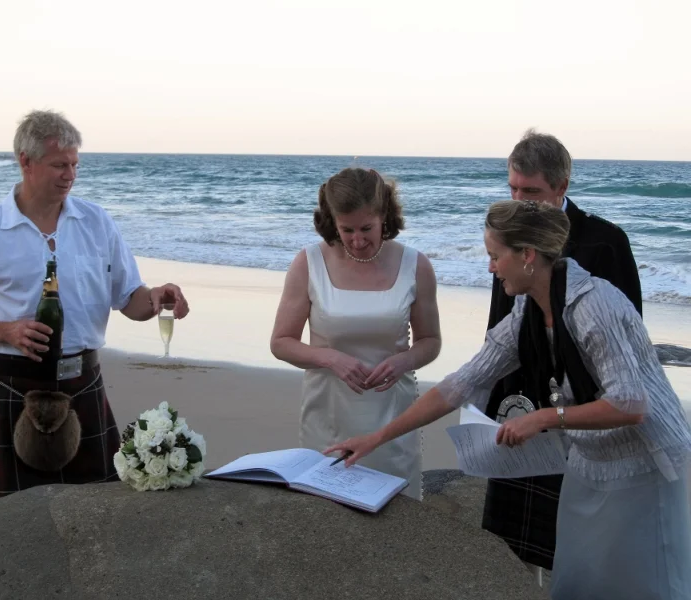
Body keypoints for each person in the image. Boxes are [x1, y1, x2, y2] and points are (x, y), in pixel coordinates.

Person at [326, 200, 691, 599]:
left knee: (643, 586)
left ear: (528, 256)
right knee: (578, 582)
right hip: (590, 459)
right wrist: (376, 438)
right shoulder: (527, 310)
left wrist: (544, 418)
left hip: (643, 463)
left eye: (495, 255)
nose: (490, 267)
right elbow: (460, 384)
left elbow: (631, 405)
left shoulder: (593, 305)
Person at [0, 109, 189, 508]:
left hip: (83, 382)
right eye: (59, 164)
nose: (70, 174)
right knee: (6, 522)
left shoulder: (96, 222)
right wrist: (7, 331)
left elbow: (129, 299)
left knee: (97, 512)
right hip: (11, 385)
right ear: (26, 162)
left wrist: (156, 296)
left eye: (74, 164)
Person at [483, 129, 643, 577]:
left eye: (531, 191)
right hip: (521, 404)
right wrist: (496, 401)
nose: (520, 200)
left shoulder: (606, 241)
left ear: (562, 186)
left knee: (581, 543)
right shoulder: (506, 234)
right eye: (513, 188)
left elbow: (629, 340)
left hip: (588, 416)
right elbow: (500, 325)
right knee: (513, 549)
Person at [270, 167, 442, 499]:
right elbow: (281, 342)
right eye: (346, 230)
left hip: (393, 416)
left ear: (384, 216)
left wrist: (404, 361)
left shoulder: (415, 265)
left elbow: (430, 342)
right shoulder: (308, 263)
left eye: (367, 228)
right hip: (327, 414)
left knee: (396, 516)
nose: (358, 240)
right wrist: (330, 358)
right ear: (331, 220)